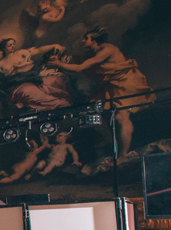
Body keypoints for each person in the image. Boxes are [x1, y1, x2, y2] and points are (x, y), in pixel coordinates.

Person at [48, 27, 155, 155]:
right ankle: (110, 140)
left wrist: (58, 64)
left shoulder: (107, 49)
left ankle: (123, 154)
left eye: (86, 38)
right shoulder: (91, 52)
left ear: (94, 40)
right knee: (93, 113)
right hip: (110, 85)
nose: (83, 41)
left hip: (125, 83)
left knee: (121, 117)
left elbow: (80, 67)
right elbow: (78, 61)